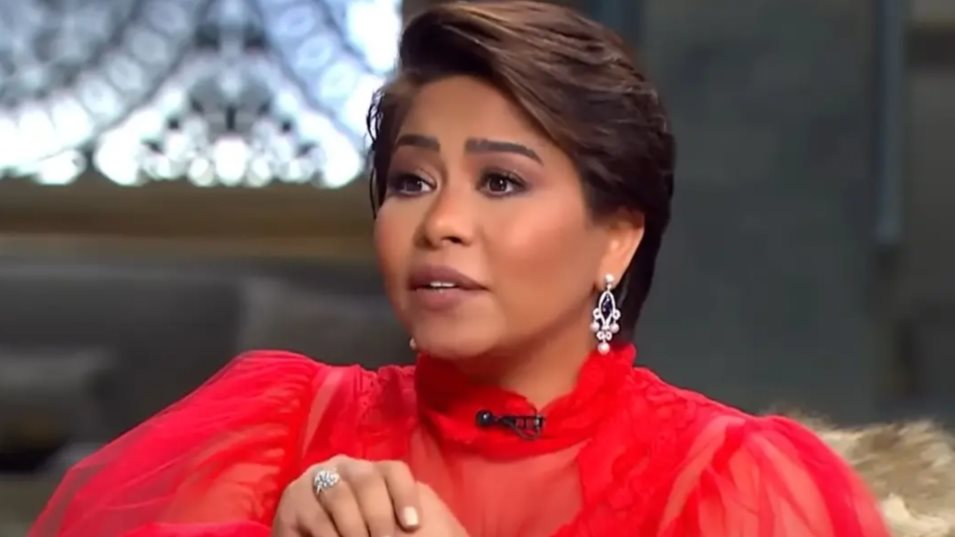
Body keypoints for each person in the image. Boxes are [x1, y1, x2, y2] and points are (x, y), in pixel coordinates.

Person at [29, 2, 891, 536]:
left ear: (615, 240)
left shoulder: (726, 484)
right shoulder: (281, 428)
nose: (439, 222)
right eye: (411, 181)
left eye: (501, 181)